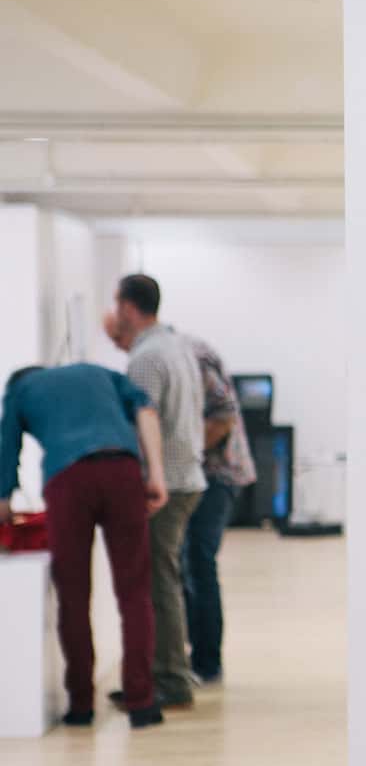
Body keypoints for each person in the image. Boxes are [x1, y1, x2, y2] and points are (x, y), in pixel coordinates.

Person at [0, 364, 169, 728]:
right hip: (123, 470)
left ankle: (80, 705)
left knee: (73, 594)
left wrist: (4, 502)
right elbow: (146, 409)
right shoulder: (100, 374)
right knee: (135, 591)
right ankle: (141, 703)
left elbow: (7, 449)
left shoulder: (19, 391)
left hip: (67, 479)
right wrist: (155, 473)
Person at [108, 274, 207, 711]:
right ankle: (160, 673)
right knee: (165, 581)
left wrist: (147, 480)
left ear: (129, 307)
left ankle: (169, 680)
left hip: (163, 487)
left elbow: (142, 423)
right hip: (187, 478)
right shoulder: (178, 345)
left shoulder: (146, 358)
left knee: (157, 585)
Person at [183, 337, 256, 685]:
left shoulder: (190, 357)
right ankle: (196, 657)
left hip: (215, 474)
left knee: (198, 562)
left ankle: (206, 664)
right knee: (189, 564)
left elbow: (223, 416)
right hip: (201, 476)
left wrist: (184, 455)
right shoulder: (182, 353)